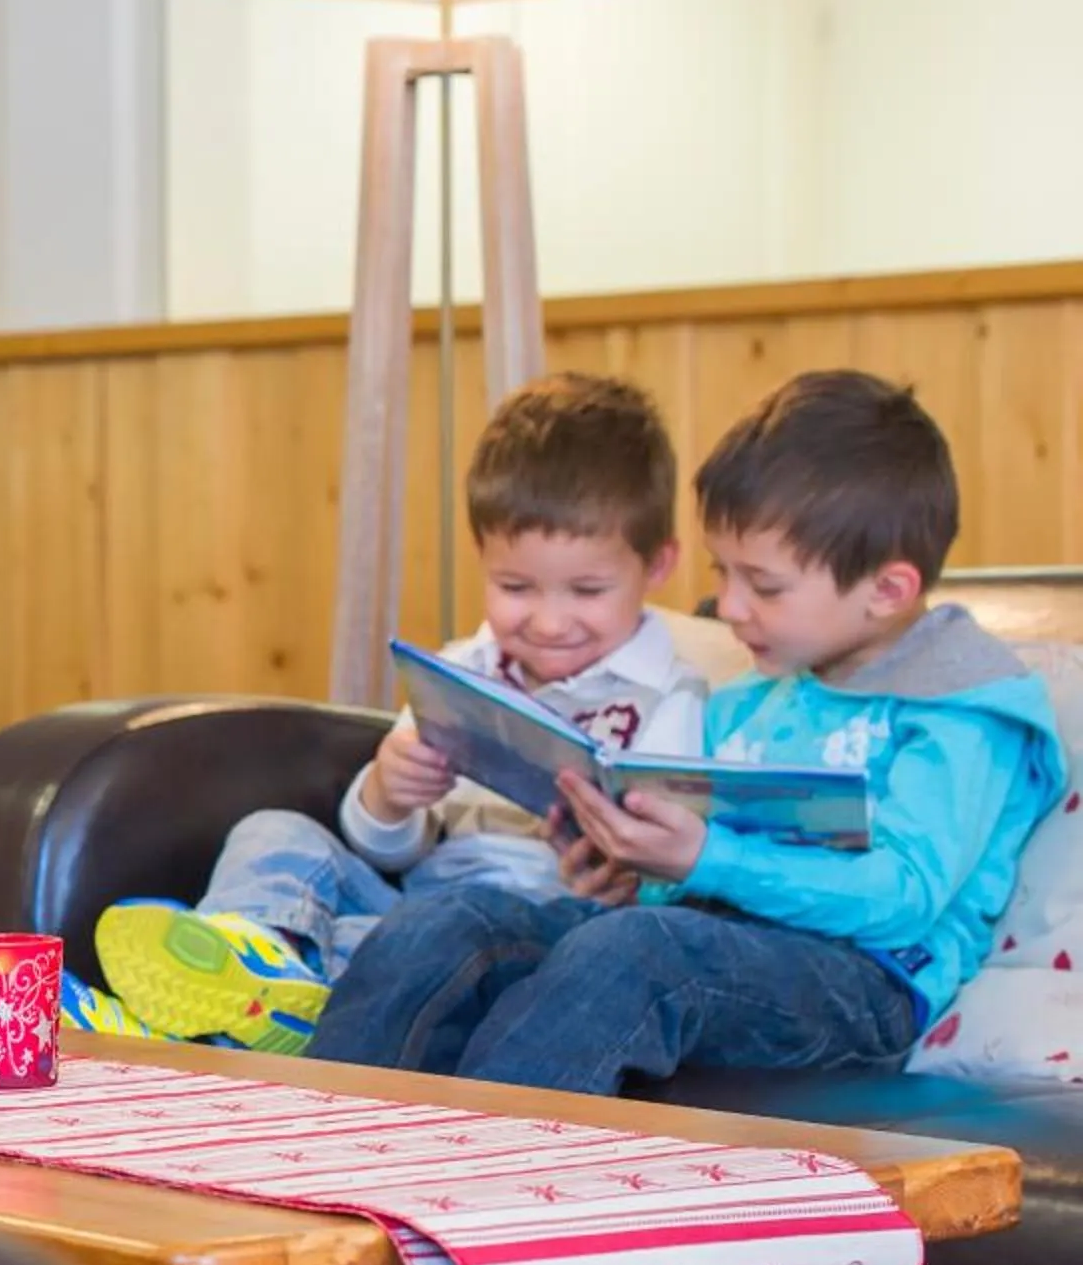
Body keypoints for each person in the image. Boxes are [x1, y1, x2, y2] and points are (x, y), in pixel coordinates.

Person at [309, 371, 1068, 1095]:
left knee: (635, 952)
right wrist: (639, 869)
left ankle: (463, 1192)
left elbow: (903, 898)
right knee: (450, 921)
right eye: (723, 572)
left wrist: (705, 857)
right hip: (706, 940)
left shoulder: (964, 707)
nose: (728, 607)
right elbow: (691, 879)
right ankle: (302, 1161)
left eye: (763, 585)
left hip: (864, 983)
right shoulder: (754, 698)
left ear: (888, 589)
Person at [68, 374, 711, 1053]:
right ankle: (247, 958)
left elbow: (673, 878)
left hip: (522, 934)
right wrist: (387, 794)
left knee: (371, 947)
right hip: (415, 899)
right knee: (275, 831)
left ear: (658, 564)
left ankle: (174, 1033)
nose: (549, 622)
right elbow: (380, 846)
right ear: (483, 559)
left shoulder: (671, 699)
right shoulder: (463, 671)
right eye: (515, 587)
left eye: (586, 590)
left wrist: (622, 877)